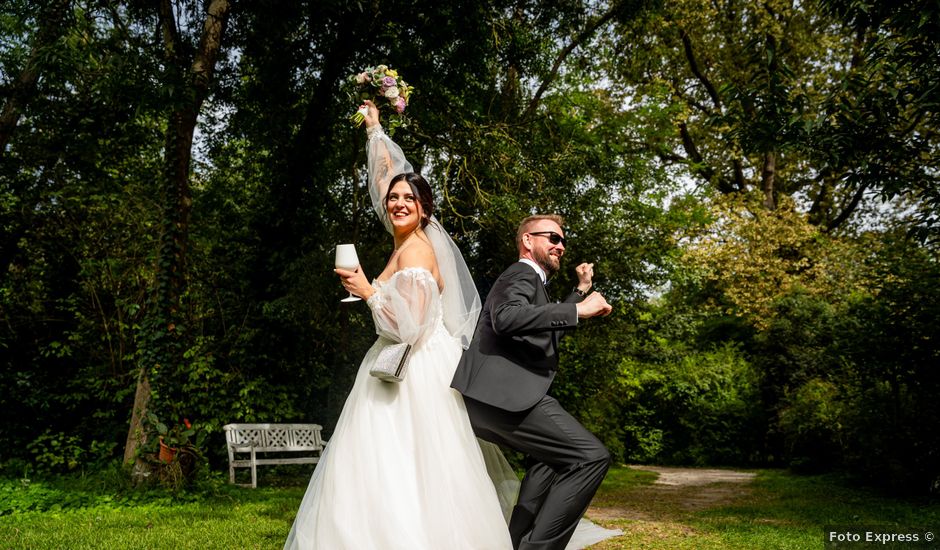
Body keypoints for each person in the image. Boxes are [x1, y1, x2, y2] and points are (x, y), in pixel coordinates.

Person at [283, 100, 513, 549]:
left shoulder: (417, 252)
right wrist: (375, 133)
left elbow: (408, 327)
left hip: (413, 375)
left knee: (404, 463)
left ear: (425, 210)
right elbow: (384, 177)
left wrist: (368, 290)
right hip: (398, 367)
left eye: (410, 199)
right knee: (379, 466)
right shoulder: (403, 241)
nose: (398, 202)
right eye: (394, 198)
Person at [452, 214, 614, 550]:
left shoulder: (535, 283)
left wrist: (579, 291)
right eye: (553, 238)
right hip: (503, 399)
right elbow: (507, 317)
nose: (560, 246)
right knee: (591, 457)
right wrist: (579, 310)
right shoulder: (521, 272)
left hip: (493, 400)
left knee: (549, 459)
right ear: (528, 241)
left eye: (563, 241)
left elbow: (544, 328)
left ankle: (512, 543)